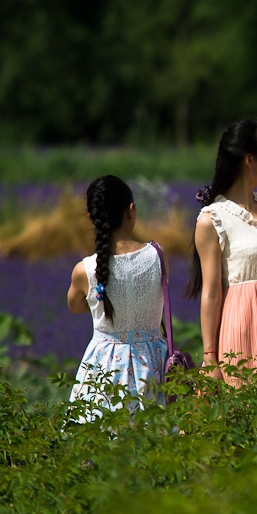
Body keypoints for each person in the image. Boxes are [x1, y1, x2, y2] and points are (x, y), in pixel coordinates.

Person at [185, 117, 257, 385]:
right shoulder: (213, 219)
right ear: (249, 160)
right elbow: (210, 292)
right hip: (242, 327)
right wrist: (209, 356)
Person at [67, 175, 166, 420]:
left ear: (92, 218)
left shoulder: (85, 270)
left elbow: (75, 306)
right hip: (152, 364)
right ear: (131, 211)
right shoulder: (157, 256)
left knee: (103, 442)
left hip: (104, 367)